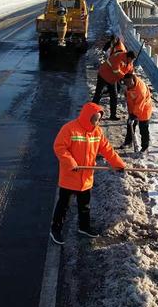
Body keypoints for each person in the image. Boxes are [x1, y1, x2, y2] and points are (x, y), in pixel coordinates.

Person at [50, 102, 126, 245]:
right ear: (87, 117)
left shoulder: (97, 132)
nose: (97, 122)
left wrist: (118, 164)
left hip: (86, 177)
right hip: (70, 175)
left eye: (99, 119)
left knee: (84, 205)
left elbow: (107, 149)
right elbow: (59, 147)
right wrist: (71, 163)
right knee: (63, 205)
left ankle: (84, 227)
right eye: (95, 119)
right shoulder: (70, 129)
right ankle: (56, 229)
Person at [92, 50, 136, 121]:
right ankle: (91, 112)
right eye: (132, 59)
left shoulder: (130, 62)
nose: (132, 61)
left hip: (113, 79)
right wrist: (124, 78)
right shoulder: (118, 57)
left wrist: (134, 79)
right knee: (98, 94)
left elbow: (130, 71)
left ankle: (113, 115)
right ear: (129, 57)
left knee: (114, 95)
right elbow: (116, 70)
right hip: (104, 75)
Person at [120, 73, 153, 153]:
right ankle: (128, 142)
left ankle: (145, 147)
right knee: (130, 125)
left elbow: (139, 105)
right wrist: (131, 114)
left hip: (144, 108)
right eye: (126, 83)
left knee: (143, 128)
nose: (128, 85)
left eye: (130, 83)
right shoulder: (128, 85)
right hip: (133, 106)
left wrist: (133, 116)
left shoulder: (140, 90)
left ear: (133, 81)